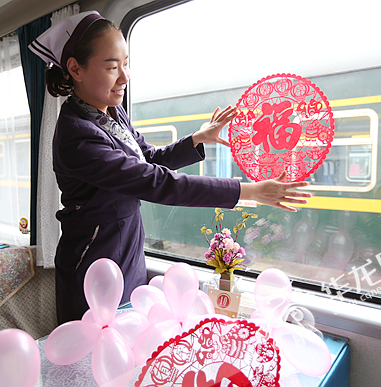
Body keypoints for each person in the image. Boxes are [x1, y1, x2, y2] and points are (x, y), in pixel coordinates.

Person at [30, 11, 311, 324]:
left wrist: (195, 140)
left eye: (126, 63)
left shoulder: (112, 113)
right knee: (95, 353)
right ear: (75, 69)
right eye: (112, 67)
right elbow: (154, 181)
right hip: (94, 260)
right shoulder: (76, 133)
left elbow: (147, 158)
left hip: (127, 250)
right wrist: (248, 191)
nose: (125, 76)